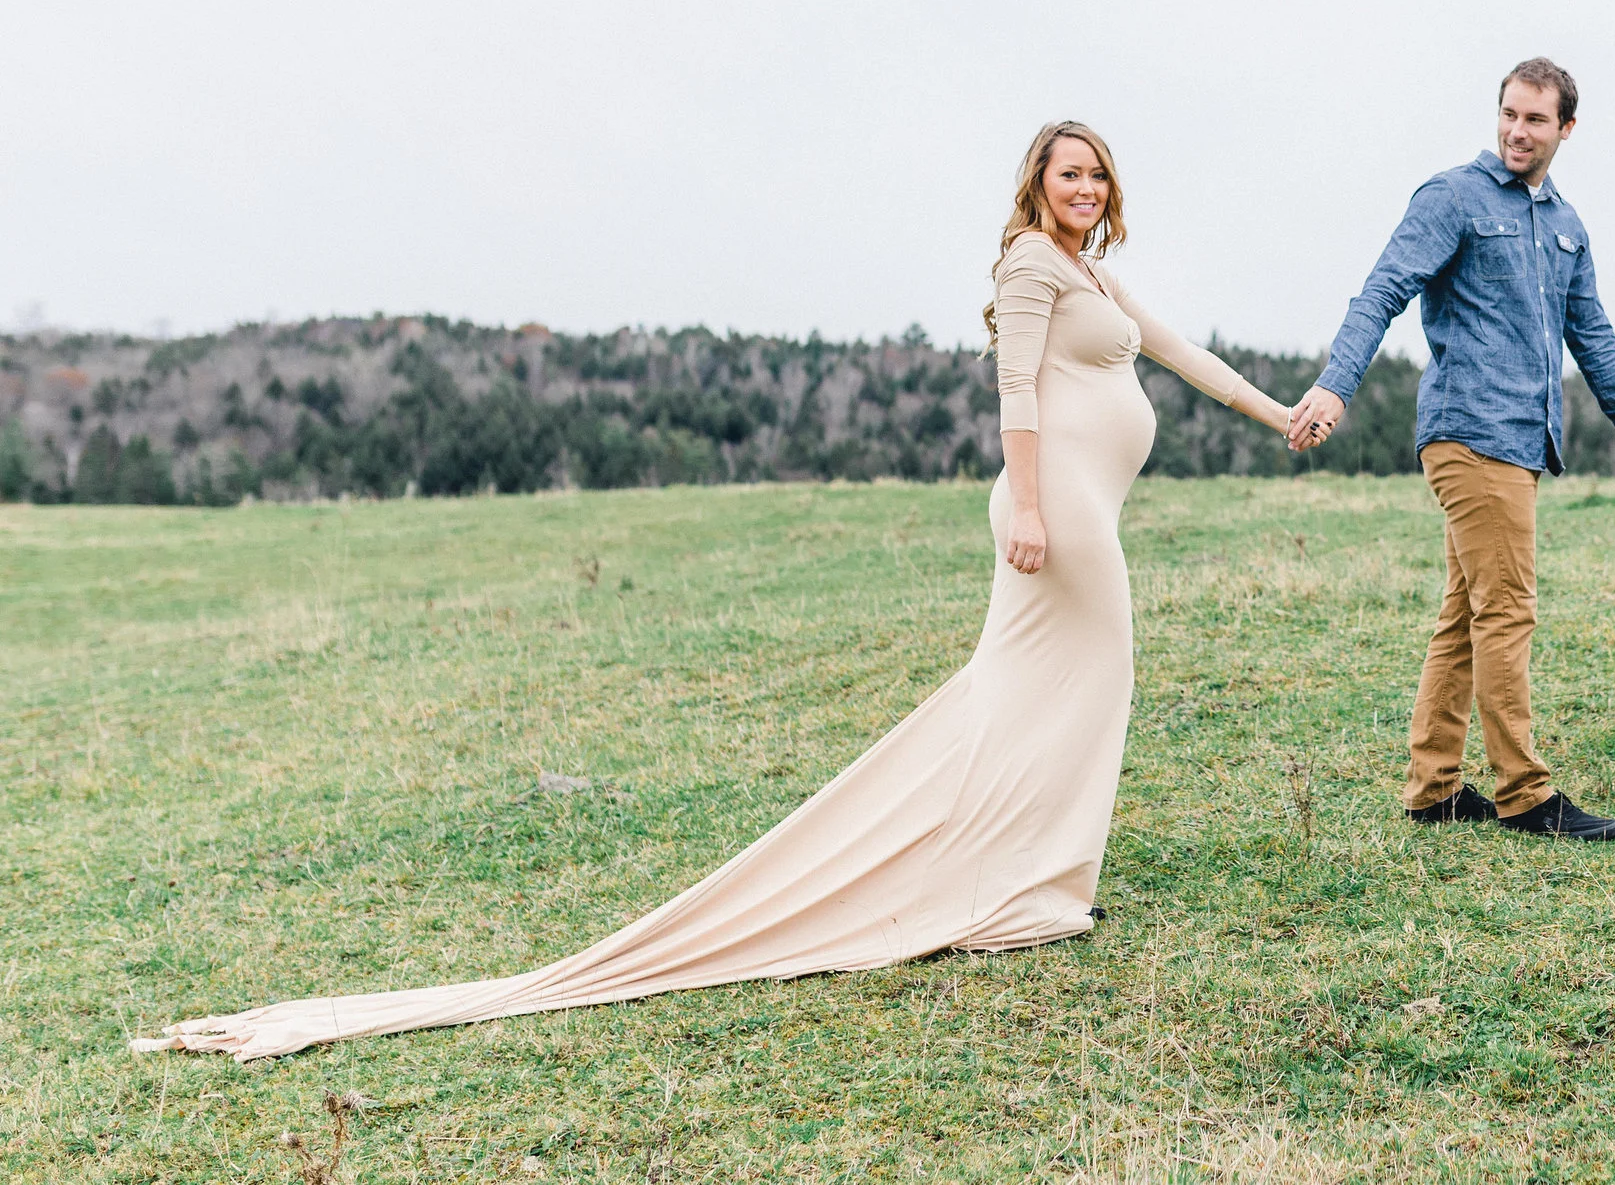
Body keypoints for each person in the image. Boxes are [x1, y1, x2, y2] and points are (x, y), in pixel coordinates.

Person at [133, 120, 1293, 1060]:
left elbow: (1185, 355)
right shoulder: (1030, 264)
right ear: (1035, 186)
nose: (1084, 186)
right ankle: (1020, 882)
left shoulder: (1093, 271)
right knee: (1067, 681)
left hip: (1082, 505)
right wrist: (1031, 505)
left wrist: (1281, 413)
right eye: (1065, 171)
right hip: (1058, 511)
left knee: (1043, 693)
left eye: (1095, 172)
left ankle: (1025, 874)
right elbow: (1017, 398)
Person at [1287, 59, 1615, 841]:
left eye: (1535, 119)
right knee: (1508, 609)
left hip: (1524, 442)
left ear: (1567, 127)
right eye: (1508, 114)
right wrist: (1335, 384)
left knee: (1466, 613)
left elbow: (1592, 340)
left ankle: (1432, 787)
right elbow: (1384, 287)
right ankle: (1525, 793)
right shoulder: (1453, 197)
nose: (1516, 131)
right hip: (1469, 431)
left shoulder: (1566, 226)